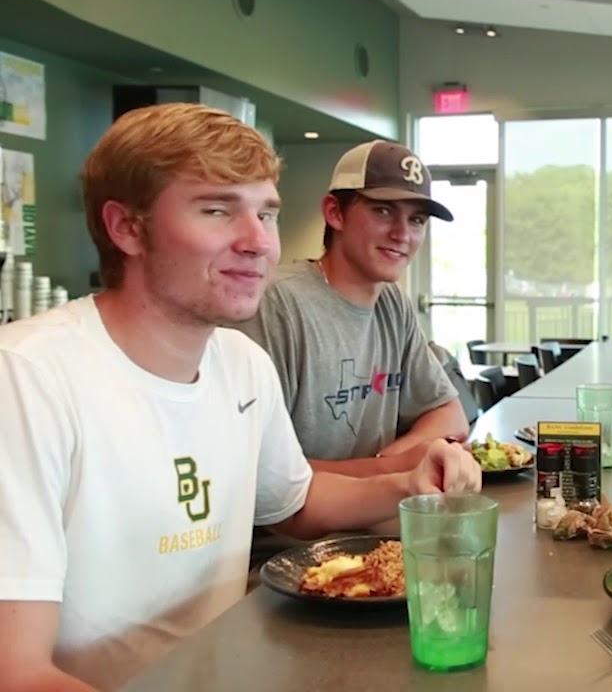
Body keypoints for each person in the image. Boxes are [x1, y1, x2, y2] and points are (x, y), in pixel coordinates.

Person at [0, 103, 480, 692]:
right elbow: (16, 672)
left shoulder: (241, 364)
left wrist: (409, 483)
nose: (260, 243)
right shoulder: (26, 378)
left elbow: (296, 502)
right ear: (126, 227)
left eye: (267, 213)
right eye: (217, 210)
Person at [237, 140, 468, 477]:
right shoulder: (275, 303)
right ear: (334, 212)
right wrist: (390, 470)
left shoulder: (392, 302)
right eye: (383, 211)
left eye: (417, 220)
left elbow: (450, 415)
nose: (402, 234)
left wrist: (385, 464)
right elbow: (259, 471)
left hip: (380, 506)